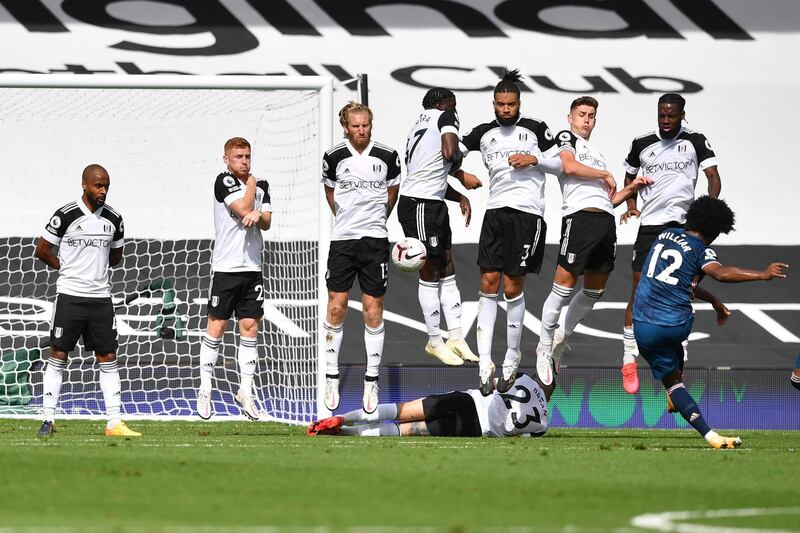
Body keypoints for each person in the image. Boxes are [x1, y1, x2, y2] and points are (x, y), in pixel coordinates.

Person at [633, 196, 787, 449]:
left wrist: (713, 299)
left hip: (644, 325)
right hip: (676, 325)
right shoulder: (701, 250)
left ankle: (692, 414)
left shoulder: (665, 235)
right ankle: (691, 412)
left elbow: (677, 279)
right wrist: (762, 275)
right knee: (673, 362)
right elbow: (720, 273)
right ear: (715, 230)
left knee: (672, 380)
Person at [536, 96, 653, 385]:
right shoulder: (567, 138)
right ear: (570, 118)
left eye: (591, 115)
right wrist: (605, 173)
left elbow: (608, 200)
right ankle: (543, 347)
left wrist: (632, 188)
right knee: (562, 288)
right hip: (580, 220)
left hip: (604, 222)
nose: (586, 120)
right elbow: (569, 167)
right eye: (581, 114)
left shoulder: (597, 153)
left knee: (595, 290)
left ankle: (562, 336)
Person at [459, 69, 562, 394]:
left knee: (512, 285)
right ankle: (485, 363)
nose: (506, 109)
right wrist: (461, 177)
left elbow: (562, 161)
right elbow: (447, 154)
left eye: (511, 104)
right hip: (494, 214)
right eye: (501, 104)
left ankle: (512, 356)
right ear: (494, 103)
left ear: (519, 103)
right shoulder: (482, 133)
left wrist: (534, 159)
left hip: (527, 215)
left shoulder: (535, 129)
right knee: (487, 283)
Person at [620, 93, 722, 394]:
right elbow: (628, 177)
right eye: (662, 116)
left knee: (684, 291)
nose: (666, 121)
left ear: (681, 115)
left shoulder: (696, 141)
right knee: (638, 290)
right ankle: (628, 360)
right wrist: (631, 205)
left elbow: (713, 178)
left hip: (684, 227)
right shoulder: (641, 143)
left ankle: (678, 370)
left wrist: (706, 214)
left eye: (672, 116)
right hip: (651, 227)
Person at [33, 164, 139, 437]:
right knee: (58, 354)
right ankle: (48, 419)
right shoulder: (65, 215)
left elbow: (116, 257)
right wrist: (66, 268)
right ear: (84, 185)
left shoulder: (114, 219)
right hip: (70, 296)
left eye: (106, 186)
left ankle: (114, 422)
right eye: (98, 186)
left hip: (101, 299)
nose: (102, 191)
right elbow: (42, 250)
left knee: (108, 356)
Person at [321, 102, 402, 414]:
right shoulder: (333, 157)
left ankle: (371, 379)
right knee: (337, 306)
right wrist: (346, 219)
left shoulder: (387, 156)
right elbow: (331, 194)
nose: (361, 130)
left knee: (372, 311)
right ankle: (331, 375)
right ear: (346, 127)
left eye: (365, 125)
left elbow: (392, 192)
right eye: (355, 126)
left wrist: (378, 219)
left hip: (375, 242)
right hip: (343, 241)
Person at [398, 87, 482, 367]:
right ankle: (434, 341)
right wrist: (462, 169)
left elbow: (431, 172)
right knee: (431, 269)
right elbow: (449, 152)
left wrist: (459, 195)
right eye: (453, 104)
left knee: (447, 265)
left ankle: (456, 337)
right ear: (443, 104)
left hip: (430, 202)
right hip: (420, 205)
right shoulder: (445, 116)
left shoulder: (419, 123)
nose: (455, 110)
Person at [196, 137, 272, 421]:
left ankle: (246, 391)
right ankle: (205, 390)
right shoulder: (224, 181)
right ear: (226, 159)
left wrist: (256, 214)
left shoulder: (264, 185)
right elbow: (244, 211)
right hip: (226, 267)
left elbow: (266, 221)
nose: (244, 161)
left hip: (252, 267)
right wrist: (251, 189)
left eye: (248, 156)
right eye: (239, 156)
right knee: (216, 326)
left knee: (250, 327)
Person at [307, 371, 552, 438]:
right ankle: (346, 432)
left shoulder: (524, 378)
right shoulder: (543, 425)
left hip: (470, 400)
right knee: (408, 430)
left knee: (404, 410)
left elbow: (493, 385)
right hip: (476, 428)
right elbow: (518, 437)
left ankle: (344, 418)